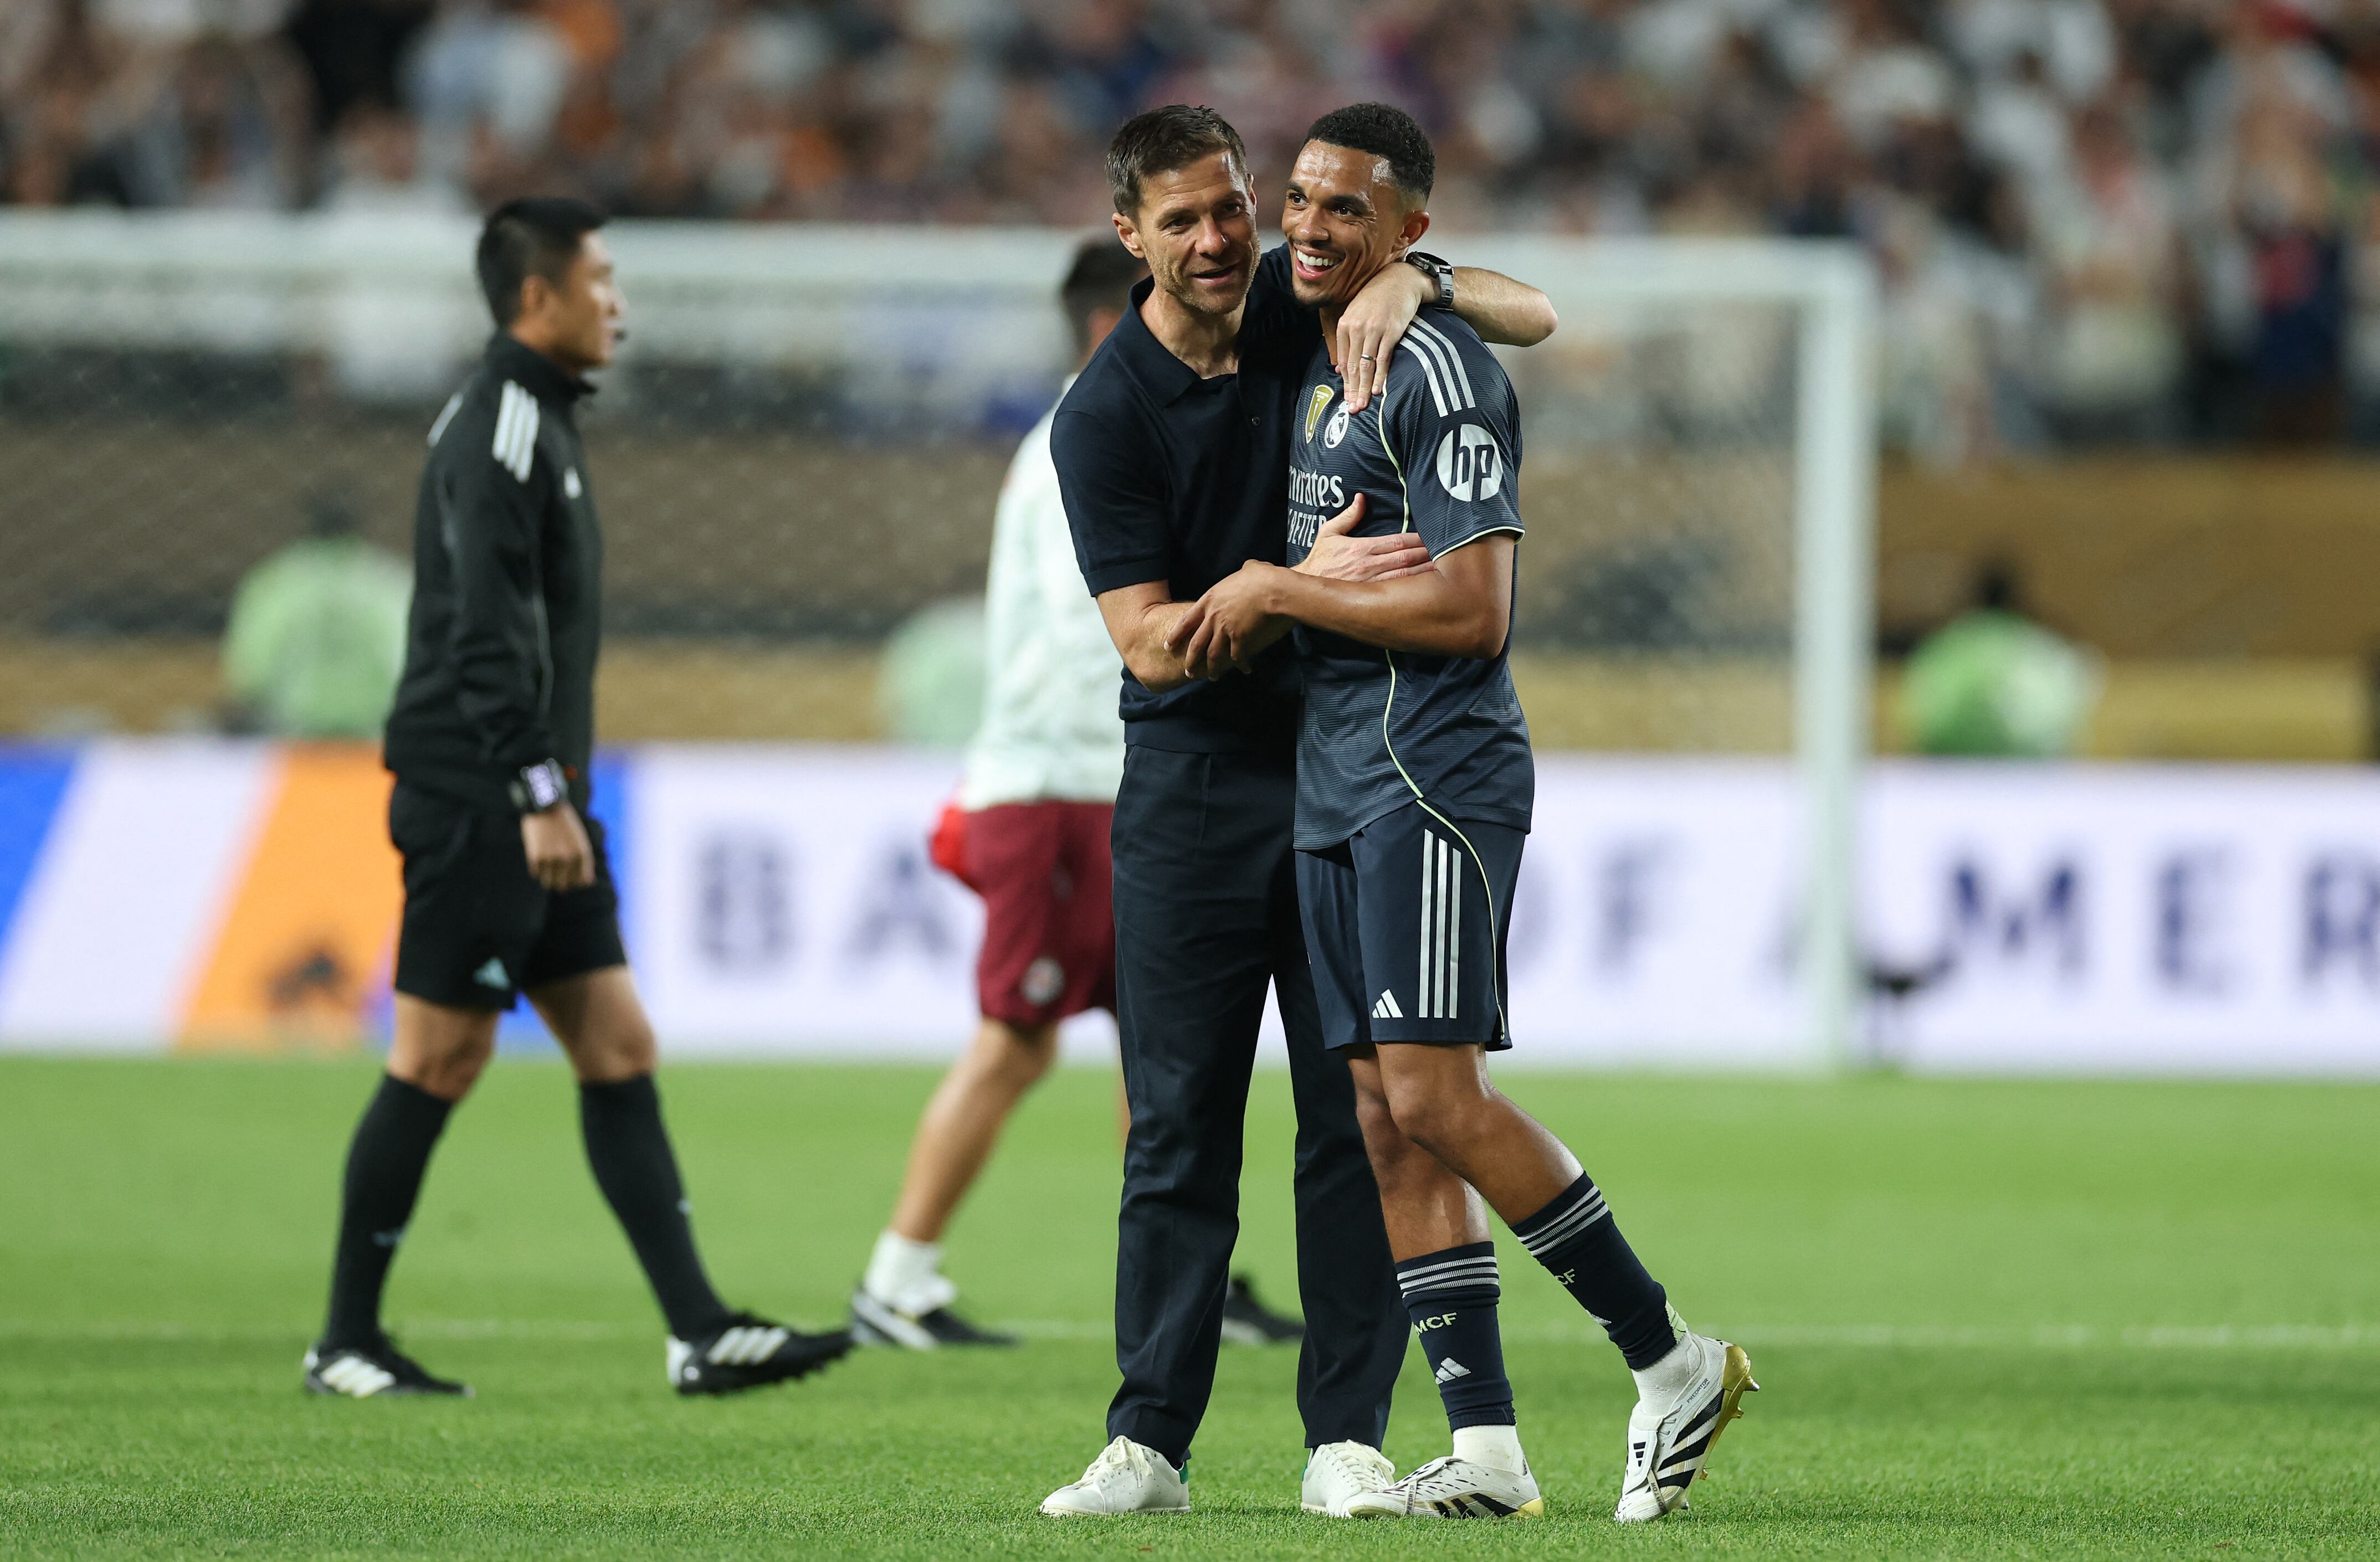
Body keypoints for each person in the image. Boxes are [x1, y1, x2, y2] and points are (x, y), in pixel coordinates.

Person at [1174, 104, 1758, 1524]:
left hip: (1429, 774)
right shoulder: (1312, 337)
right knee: (1384, 1117)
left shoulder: (1430, 365)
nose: (1309, 228)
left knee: (1434, 1092)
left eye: (1348, 214)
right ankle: (1486, 1450)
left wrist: (1278, 586)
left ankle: (1667, 1354)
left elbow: (1471, 607)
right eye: (1300, 200)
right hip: (1336, 776)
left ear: (1408, 231)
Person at [1038, 105, 1558, 1520]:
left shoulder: (1306, 301)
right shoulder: (1100, 415)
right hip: (1194, 796)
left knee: (1362, 1119)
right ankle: (1147, 1438)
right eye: (1183, 220)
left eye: (1231, 208)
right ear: (1129, 235)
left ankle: (1346, 1434)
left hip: (1345, 776)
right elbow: (1149, 645)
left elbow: (1539, 310)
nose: (1219, 240)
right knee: (1177, 1123)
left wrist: (1422, 278)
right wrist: (1291, 577)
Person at [304, 197, 850, 1399]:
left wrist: (552, 792)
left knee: (617, 1042)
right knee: (439, 1056)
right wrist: (537, 791)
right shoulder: (500, 429)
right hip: (486, 796)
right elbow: (487, 640)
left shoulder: (538, 421)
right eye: (601, 279)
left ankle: (700, 1331)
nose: (620, 302)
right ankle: (343, 1339)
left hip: (536, 795)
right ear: (537, 297)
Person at [850, 234, 1299, 1353]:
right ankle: (895, 1280)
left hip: (1098, 778)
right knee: (1017, 1040)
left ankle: (1199, 1279)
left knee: (1161, 1038)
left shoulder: (1108, 427)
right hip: (1062, 781)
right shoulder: (1088, 433)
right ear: (1120, 318)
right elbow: (1098, 632)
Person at [220, 490, 412, 738]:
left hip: (293, 735)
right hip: (376, 736)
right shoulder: (390, 581)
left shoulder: (276, 582)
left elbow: (250, 670)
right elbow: (411, 661)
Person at [1900, 562, 2099, 757]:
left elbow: (1920, 708)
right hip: (2026, 769)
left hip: (1953, 766)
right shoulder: (2039, 646)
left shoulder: (1946, 646)